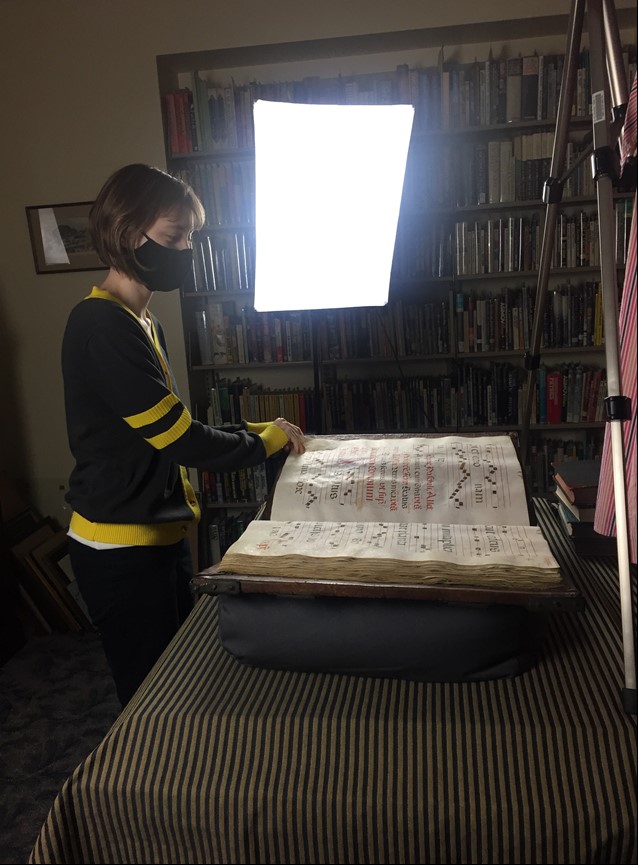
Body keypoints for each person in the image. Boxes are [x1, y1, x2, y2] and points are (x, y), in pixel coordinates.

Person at [61, 163, 306, 706]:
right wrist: (263, 442)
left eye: (190, 235)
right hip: (119, 546)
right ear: (128, 234)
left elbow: (170, 423)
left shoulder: (144, 321)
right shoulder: (99, 324)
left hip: (157, 535)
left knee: (176, 676)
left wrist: (254, 428)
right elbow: (180, 441)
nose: (187, 249)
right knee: (149, 694)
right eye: (175, 236)